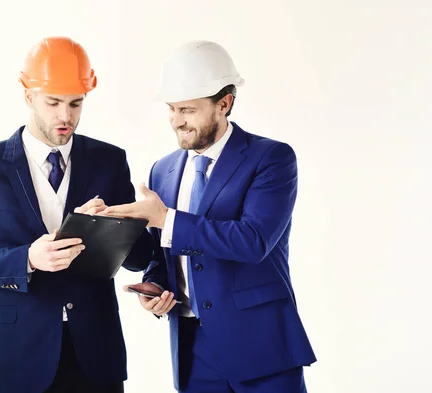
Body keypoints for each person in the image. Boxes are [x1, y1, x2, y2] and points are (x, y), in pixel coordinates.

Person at [0, 36, 152, 393]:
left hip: (98, 356)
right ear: (28, 96)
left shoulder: (109, 160)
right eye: (53, 102)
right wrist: (27, 259)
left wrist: (117, 224)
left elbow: (139, 257)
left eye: (75, 103)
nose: (65, 116)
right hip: (22, 358)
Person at [102, 40, 317, 393]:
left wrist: (166, 219)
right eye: (172, 109)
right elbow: (164, 252)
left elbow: (253, 241)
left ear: (224, 103)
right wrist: (155, 285)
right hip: (192, 351)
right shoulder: (163, 170)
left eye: (187, 110)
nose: (176, 121)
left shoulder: (271, 159)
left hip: (261, 349)